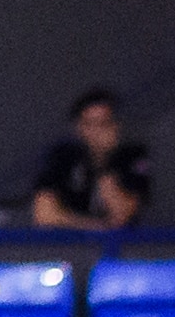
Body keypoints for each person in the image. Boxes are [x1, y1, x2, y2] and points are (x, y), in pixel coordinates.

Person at [31, 86, 149, 230]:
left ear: (116, 125)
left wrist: (105, 160)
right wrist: (92, 227)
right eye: (89, 124)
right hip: (71, 241)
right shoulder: (63, 156)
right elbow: (44, 215)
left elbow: (121, 216)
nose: (96, 132)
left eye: (104, 123)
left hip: (119, 243)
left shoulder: (131, 155)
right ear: (78, 127)